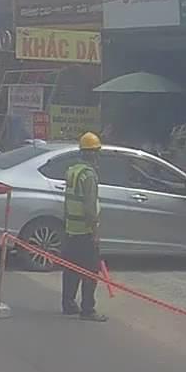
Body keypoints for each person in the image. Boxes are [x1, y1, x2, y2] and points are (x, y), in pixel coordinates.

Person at [62, 132, 106, 321]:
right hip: (85, 231)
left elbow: (68, 202)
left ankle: (68, 303)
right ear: (93, 154)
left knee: (70, 269)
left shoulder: (73, 171)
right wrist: (94, 232)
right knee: (90, 272)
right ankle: (88, 309)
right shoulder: (88, 175)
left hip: (71, 229)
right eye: (97, 152)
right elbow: (89, 207)